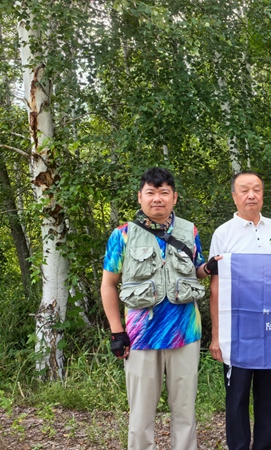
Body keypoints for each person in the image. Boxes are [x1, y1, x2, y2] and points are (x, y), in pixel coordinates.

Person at [101, 167, 218, 450]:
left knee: (185, 409)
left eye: (164, 192)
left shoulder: (189, 231)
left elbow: (195, 271)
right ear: (139, 196)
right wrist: (117, 332)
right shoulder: (122, 235)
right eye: (151, 193)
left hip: (185, 332)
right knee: (141, 412)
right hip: (141, 336)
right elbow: (108, 285)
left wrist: (208, 268)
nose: (157, 198)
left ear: (174, 197)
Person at [209, 170, 271, 450]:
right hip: (237, 331)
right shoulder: (223, 233)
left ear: (263, 195)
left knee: (270, 397)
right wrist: (216, 336)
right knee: (237, 398)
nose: (251, 195)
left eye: (257, 189)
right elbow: (215, 287)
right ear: (234, 196)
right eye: (244, 190)